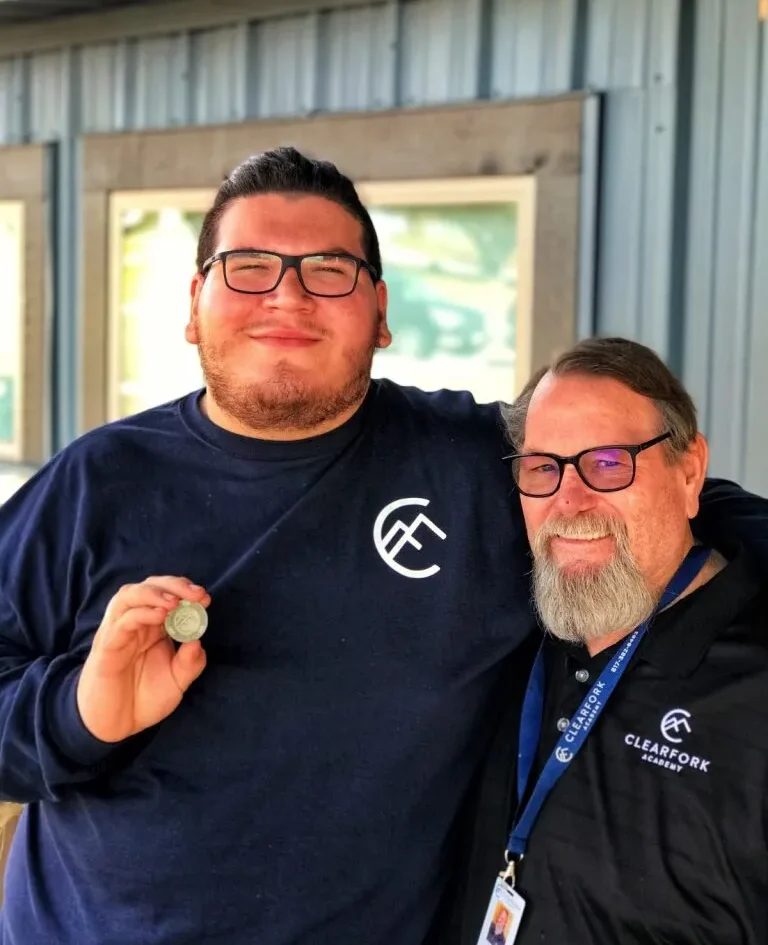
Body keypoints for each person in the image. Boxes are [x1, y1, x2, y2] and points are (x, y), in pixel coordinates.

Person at [0, 149, 763, 945]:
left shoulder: (472, 461)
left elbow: (652, 492)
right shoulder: (96, 482)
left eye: (329, 269)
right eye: (249, 265)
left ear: (382, 310)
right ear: (195, 303)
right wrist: (78, 713)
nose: (287, 294)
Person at [452, 338, 768, 945]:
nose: (570, 502)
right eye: (544, 467)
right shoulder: (508, 634)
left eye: (607, 462)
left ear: (689, 471)